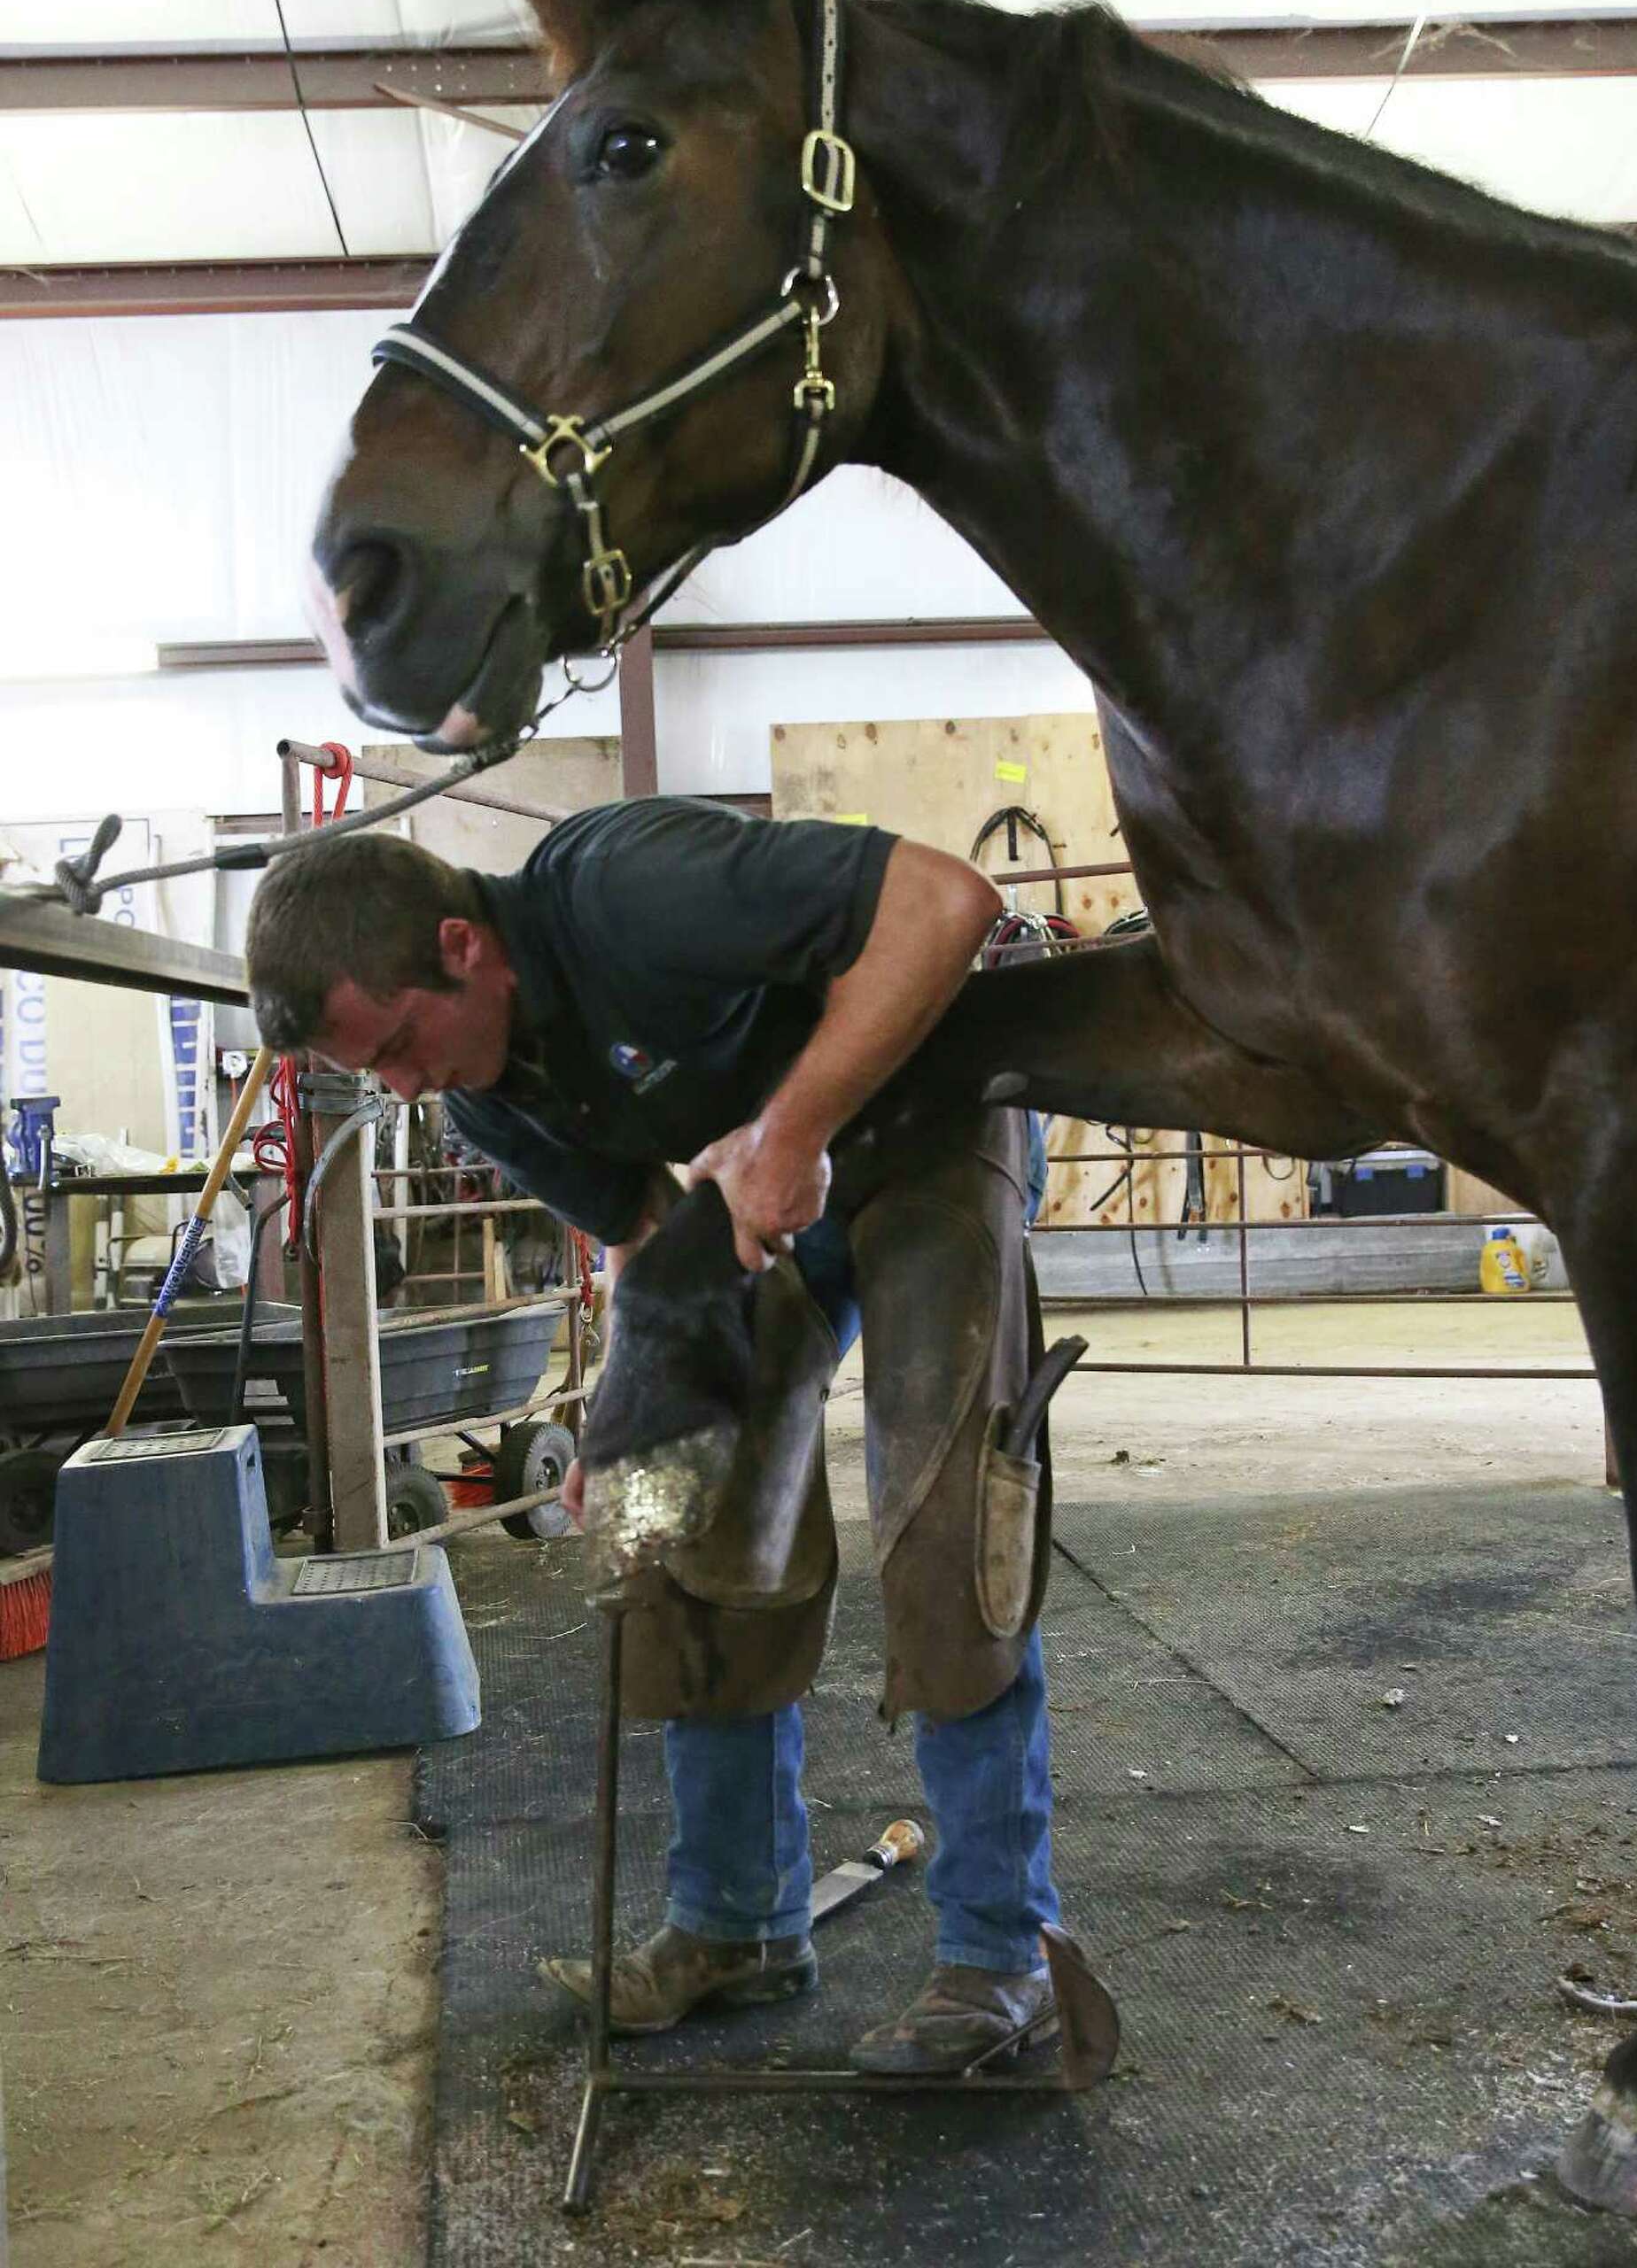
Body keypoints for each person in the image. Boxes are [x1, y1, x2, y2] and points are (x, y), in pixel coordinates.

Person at [245, 799, 1062, 2071]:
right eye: (375, 1073)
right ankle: (738, 1923)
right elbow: (638, 1237)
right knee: (679, 1520)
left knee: (945, 1515)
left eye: (401, 1042)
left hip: (928, 1128)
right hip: (750, 1194)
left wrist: (792, 1131)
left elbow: (948, 904)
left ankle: (999, 1956)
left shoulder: (628, 889)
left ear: (464, 945)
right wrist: (631, 1426)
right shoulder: (481, 1099)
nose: (401, 1089)